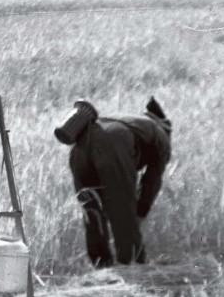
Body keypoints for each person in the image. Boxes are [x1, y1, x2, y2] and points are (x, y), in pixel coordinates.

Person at [67, 97, 172, 267]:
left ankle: (102, 268)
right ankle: (133, 268)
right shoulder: (161, 135)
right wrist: (140, 212)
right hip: (114, 143)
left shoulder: (132, 121)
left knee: (92, 211)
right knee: (123, 209)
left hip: (79, 149)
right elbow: (152, 181)